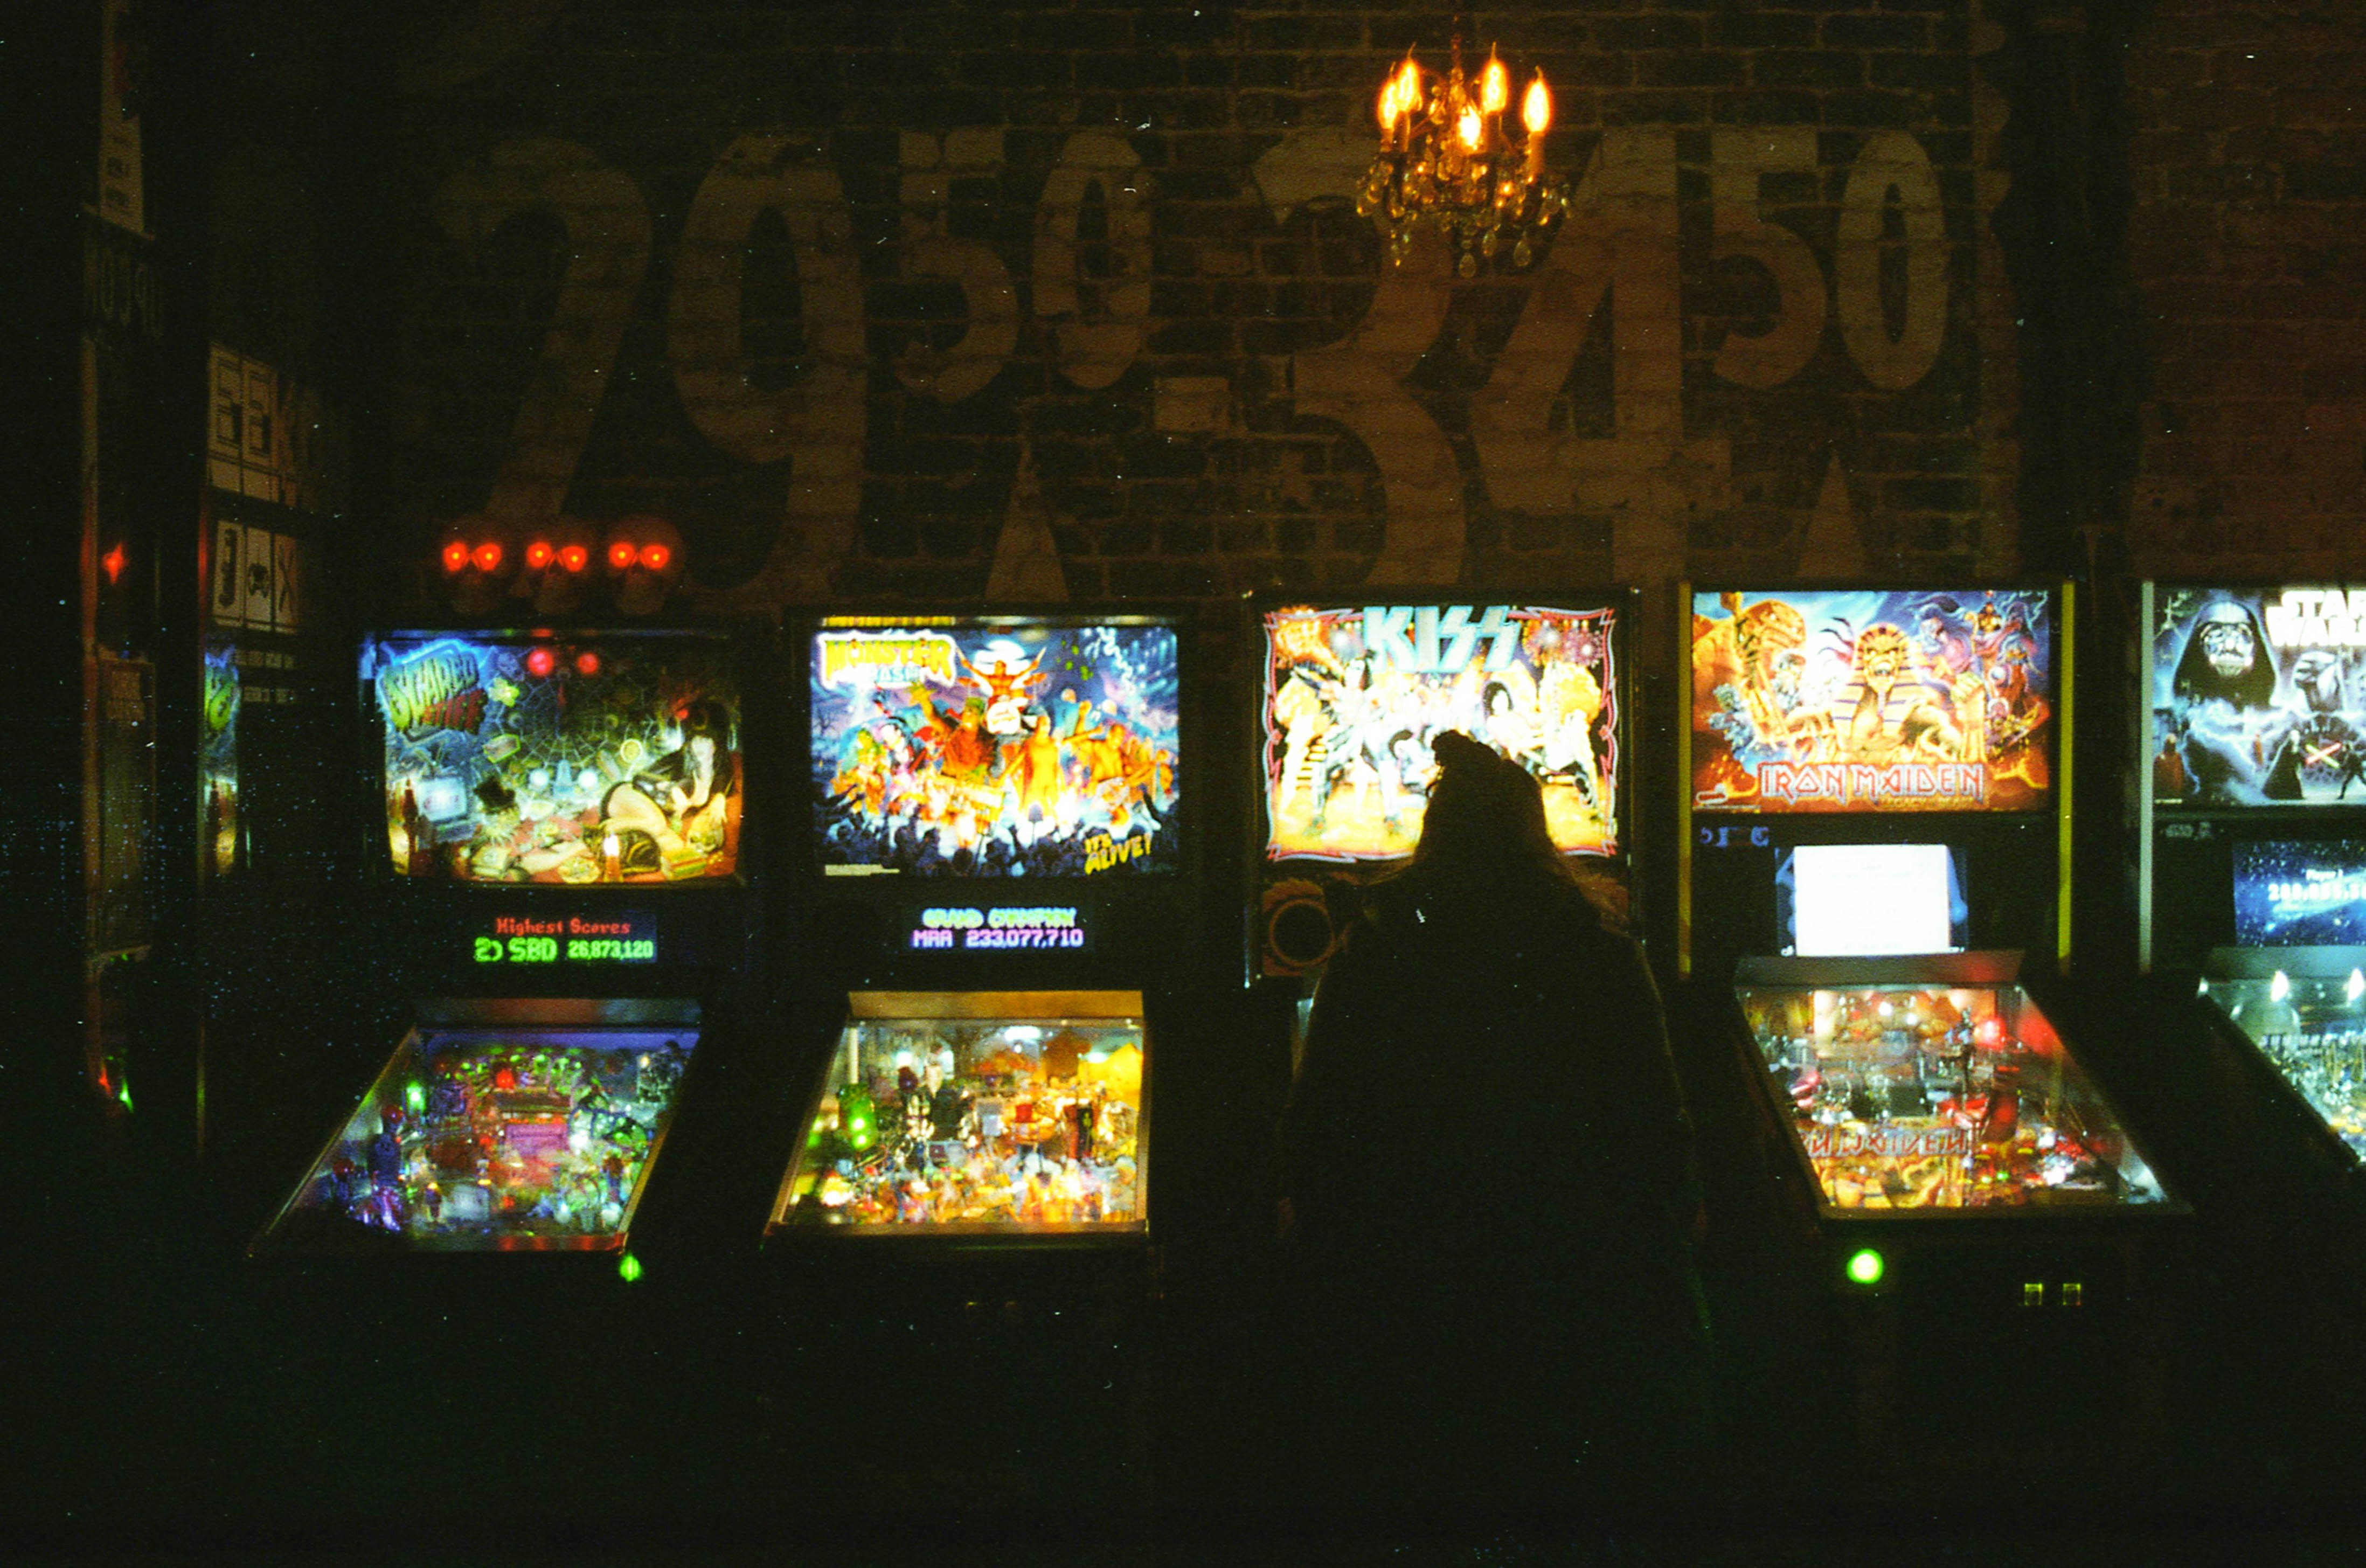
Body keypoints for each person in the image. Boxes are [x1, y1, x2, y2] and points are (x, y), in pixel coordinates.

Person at [1275, 730, 1708, 1526]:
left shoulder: (1377, 951)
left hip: (1409, 1289)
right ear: (1535, 836)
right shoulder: (1599, 953)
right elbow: (1654, 1119)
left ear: (1434, 838)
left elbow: (1317, 1123)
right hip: (1572, 1285)